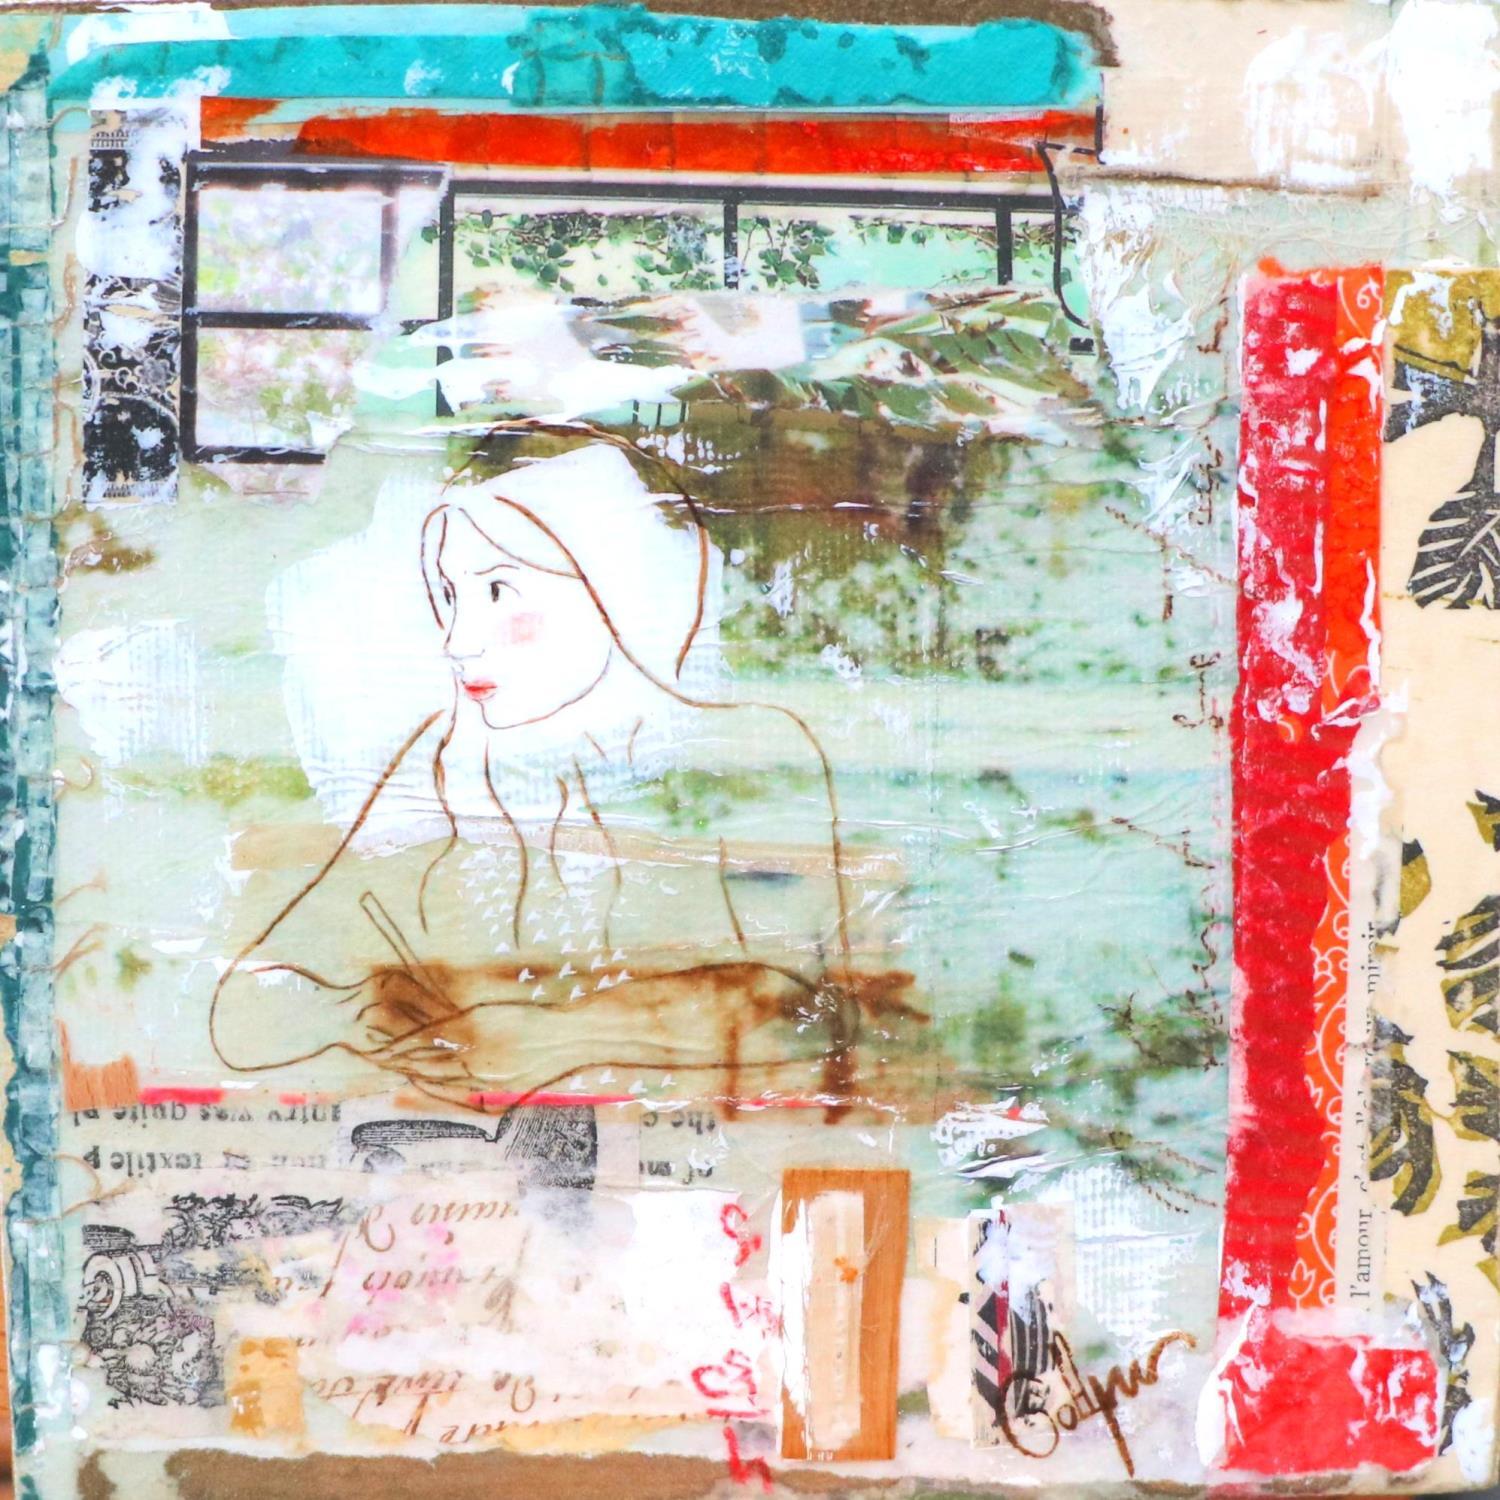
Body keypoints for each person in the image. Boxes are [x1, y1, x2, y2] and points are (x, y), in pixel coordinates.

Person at [210, 436, 920, 1113]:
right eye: (451, 597)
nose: (457, 641)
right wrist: (367, 1012)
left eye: (498, 593)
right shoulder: (434, 769)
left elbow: (829, 1014)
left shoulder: (746, 754)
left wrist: (563, 1034)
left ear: (610, 586)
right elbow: (244, 1007)